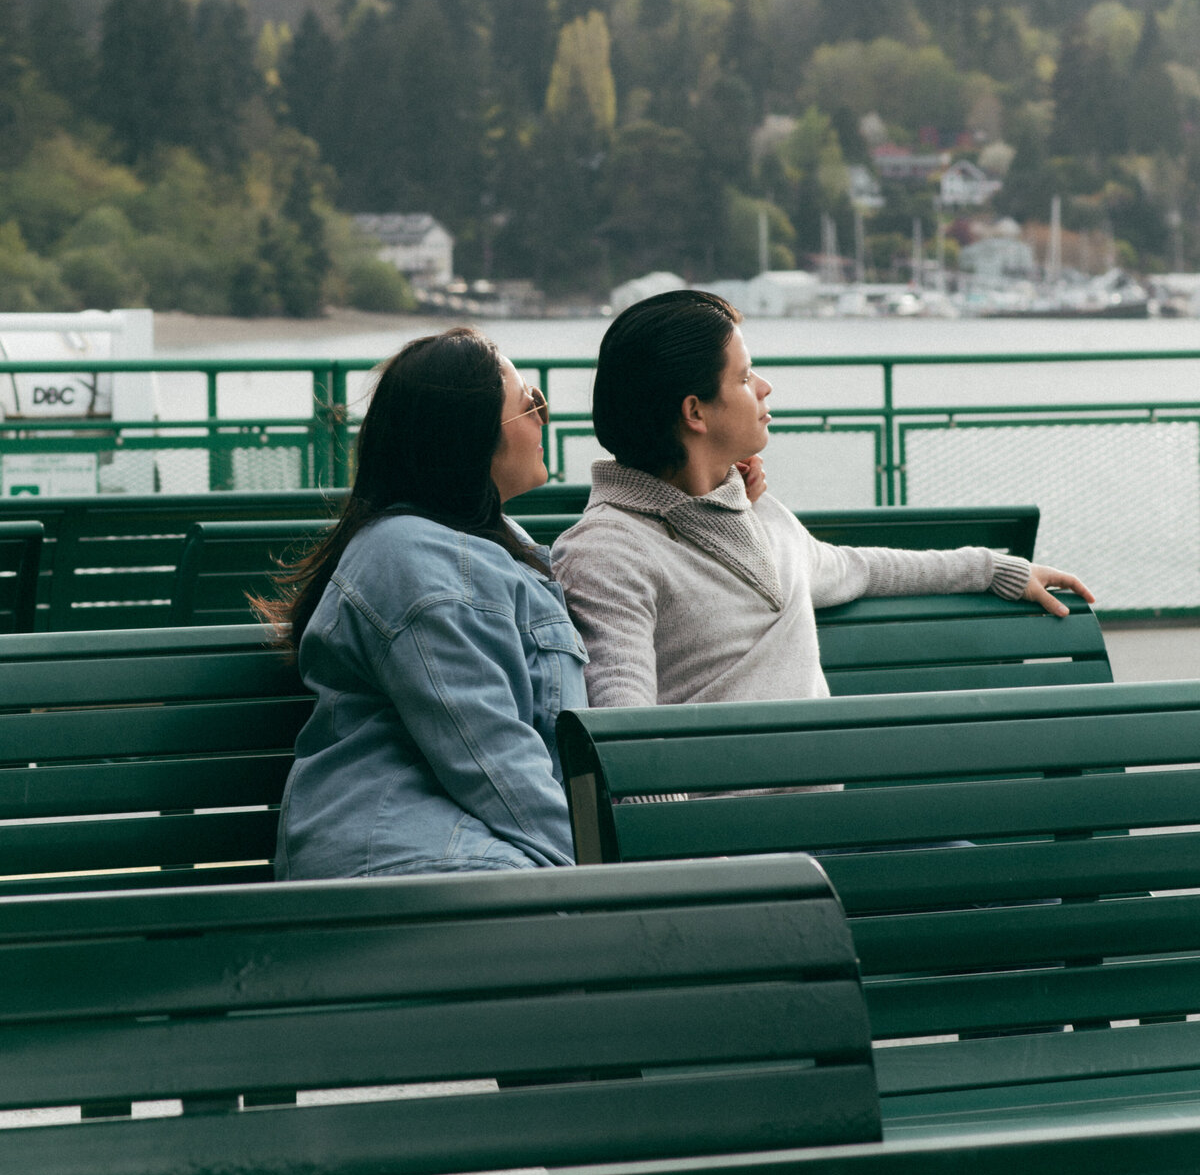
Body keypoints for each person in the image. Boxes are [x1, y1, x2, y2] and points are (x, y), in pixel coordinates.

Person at [552, 291, 1093, 708]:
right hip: (724, 844)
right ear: (695, 413)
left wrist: (994, 569)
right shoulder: (609, 551)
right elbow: (624, 744)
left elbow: (860, 568)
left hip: (831, 823)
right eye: (743, 378)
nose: (765, 387)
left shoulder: (760, 515)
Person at [267, 327, 583, 878]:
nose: (543, 415)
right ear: (468, 434)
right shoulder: (413, 556)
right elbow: (489, 755)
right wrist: (604, 872)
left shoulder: (493, 547)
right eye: (528, 400)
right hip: (413, 860)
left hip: (479, 850)